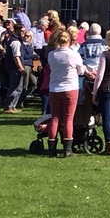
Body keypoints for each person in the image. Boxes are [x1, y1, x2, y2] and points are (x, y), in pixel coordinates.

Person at [44, 30, 85, 158]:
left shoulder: (52, 54)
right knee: (68, 119)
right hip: (70, 87)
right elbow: (81, 70)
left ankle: (52, 148)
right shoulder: (73, 55)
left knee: (55, 118)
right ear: (69, 41)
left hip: (55, 88)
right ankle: (67, 149)